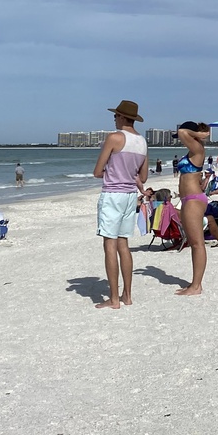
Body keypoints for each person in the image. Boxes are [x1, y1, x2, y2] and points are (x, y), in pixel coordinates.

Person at [91, 100, 149, 309]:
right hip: (130, 196)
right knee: (124, 245)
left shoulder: (114, 138)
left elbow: (97, 171)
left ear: (123, 117)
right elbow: (143, 175)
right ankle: (127, 295)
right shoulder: (142, 142)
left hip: (113, 195)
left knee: (110, 245)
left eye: (116, 116)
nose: (114, 119)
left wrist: (113, 172)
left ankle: (114, 299)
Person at [174, 121, 212, 295]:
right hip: (189, 199)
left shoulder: (198, 149)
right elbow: (182, 133)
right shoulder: (193, 150)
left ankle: (196, 286)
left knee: (197, 244)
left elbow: (182, 131)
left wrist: (199, 134)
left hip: (194, 200)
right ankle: (194, 284)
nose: (181, 140)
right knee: (194, 243)